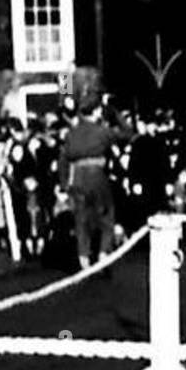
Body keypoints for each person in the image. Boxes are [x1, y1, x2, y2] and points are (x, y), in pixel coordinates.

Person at [61, 95, 130, 268]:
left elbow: (63, 159)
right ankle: (103, 252)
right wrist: (114, 112)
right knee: (107, 215)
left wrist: (63, 184)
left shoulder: (71, 133)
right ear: (97, 112)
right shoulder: (101, 131)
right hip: (97, 176)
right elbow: (127, 133)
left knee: (81, 219)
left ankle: (83, 256)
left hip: (77, 178)